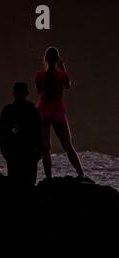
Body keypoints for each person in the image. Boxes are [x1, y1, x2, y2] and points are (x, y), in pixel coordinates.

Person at [35, 47, 84, 179]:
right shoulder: (62, 75)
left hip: (43, 112)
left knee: (45, 148)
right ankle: (81, 173)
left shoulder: (40, 76)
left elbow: (39, 91)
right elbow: (68, 86)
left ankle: (49, 178)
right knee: (68, 145)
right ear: (57, 59)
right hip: (58, 112)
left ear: (45, 59)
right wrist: (63, 68)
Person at [0, 83, 43, 186]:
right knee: (29, 185)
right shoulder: (33, 110)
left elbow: (1, 135)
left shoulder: (7, 110)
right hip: (29, 155)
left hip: (13, 155)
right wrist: (38, 155)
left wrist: (6, 154)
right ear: (27, 93)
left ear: (14, 93)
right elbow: (39, 135)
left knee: (14, 186)